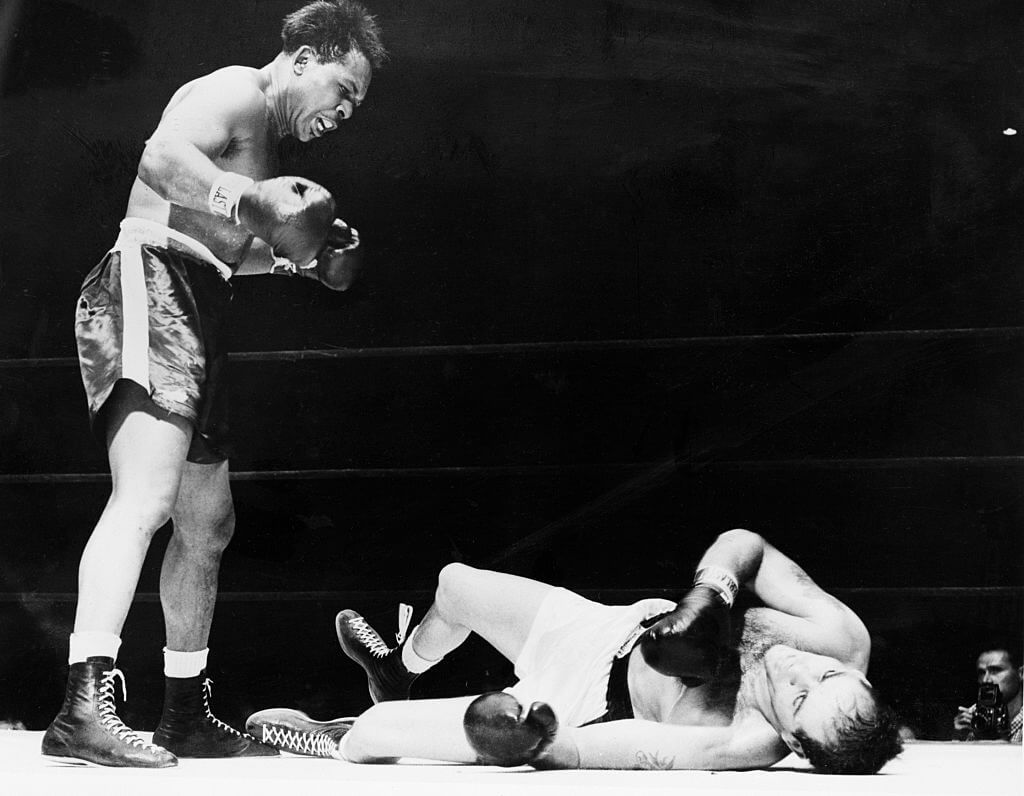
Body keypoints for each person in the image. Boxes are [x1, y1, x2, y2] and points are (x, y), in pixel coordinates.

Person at [42, 0, 386, 768]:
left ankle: (184, 711)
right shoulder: (235, 90)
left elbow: (229, 246)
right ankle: (82, 705)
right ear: (304, 58)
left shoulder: (266, 150)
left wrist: (300, 260)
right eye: (343, 89)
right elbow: (162, 158)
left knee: (208, 525)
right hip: (151, 279)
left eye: (357, 105)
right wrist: (245, 199)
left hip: (202, 297)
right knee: (146, 496)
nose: (345, 112)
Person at [247, 528, 904, 773]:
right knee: (455, 586)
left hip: (580, 703)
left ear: (791, 740)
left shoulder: (736, 742)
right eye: (826, 677)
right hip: (608, 630)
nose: (797, 668)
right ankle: (397, 668)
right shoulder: (841, 639)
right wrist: (712, 594)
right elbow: (747, 545)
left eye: (798, 698)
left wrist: (532, 740)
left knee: (376, 733)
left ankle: (335, 736)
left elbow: (590, 750)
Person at [952, 647, 1022, 743]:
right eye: (981, 673)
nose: (986, 680)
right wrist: (958, 738)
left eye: (995, 670)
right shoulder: (971, 717)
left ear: (1021, 673)